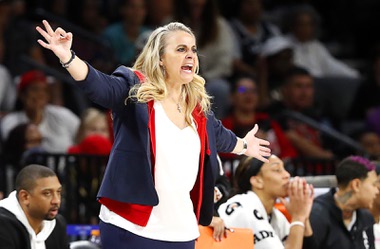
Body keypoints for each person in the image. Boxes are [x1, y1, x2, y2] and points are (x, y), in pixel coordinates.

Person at [36, 20, 271, 249]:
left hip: (181, 231)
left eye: (193, 50)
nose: (190, 55)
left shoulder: (198, 107)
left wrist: (242, 146)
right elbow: (100, 86)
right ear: (160, 58)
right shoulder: (135, 90)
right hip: (131, 226)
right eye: (180, 49)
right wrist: (68, 57)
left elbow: (218, 135)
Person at [218, 155, 314, 249]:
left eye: (284, 169)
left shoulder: (274, 215)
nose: (287, 175)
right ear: (257, 181)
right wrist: (298, 217)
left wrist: (303, 216)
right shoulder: (244, 209)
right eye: (277, 170)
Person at [303, 156, 379, 249]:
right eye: (373, 185)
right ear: (356, 185)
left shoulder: (366, 218)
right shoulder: (318, 215)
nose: (377, 191)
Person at [0, 164, 69, 249]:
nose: (56, 200)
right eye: (47, 193)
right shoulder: (3, 225)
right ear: (25, 197)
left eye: (58, 192)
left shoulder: (58, 223)